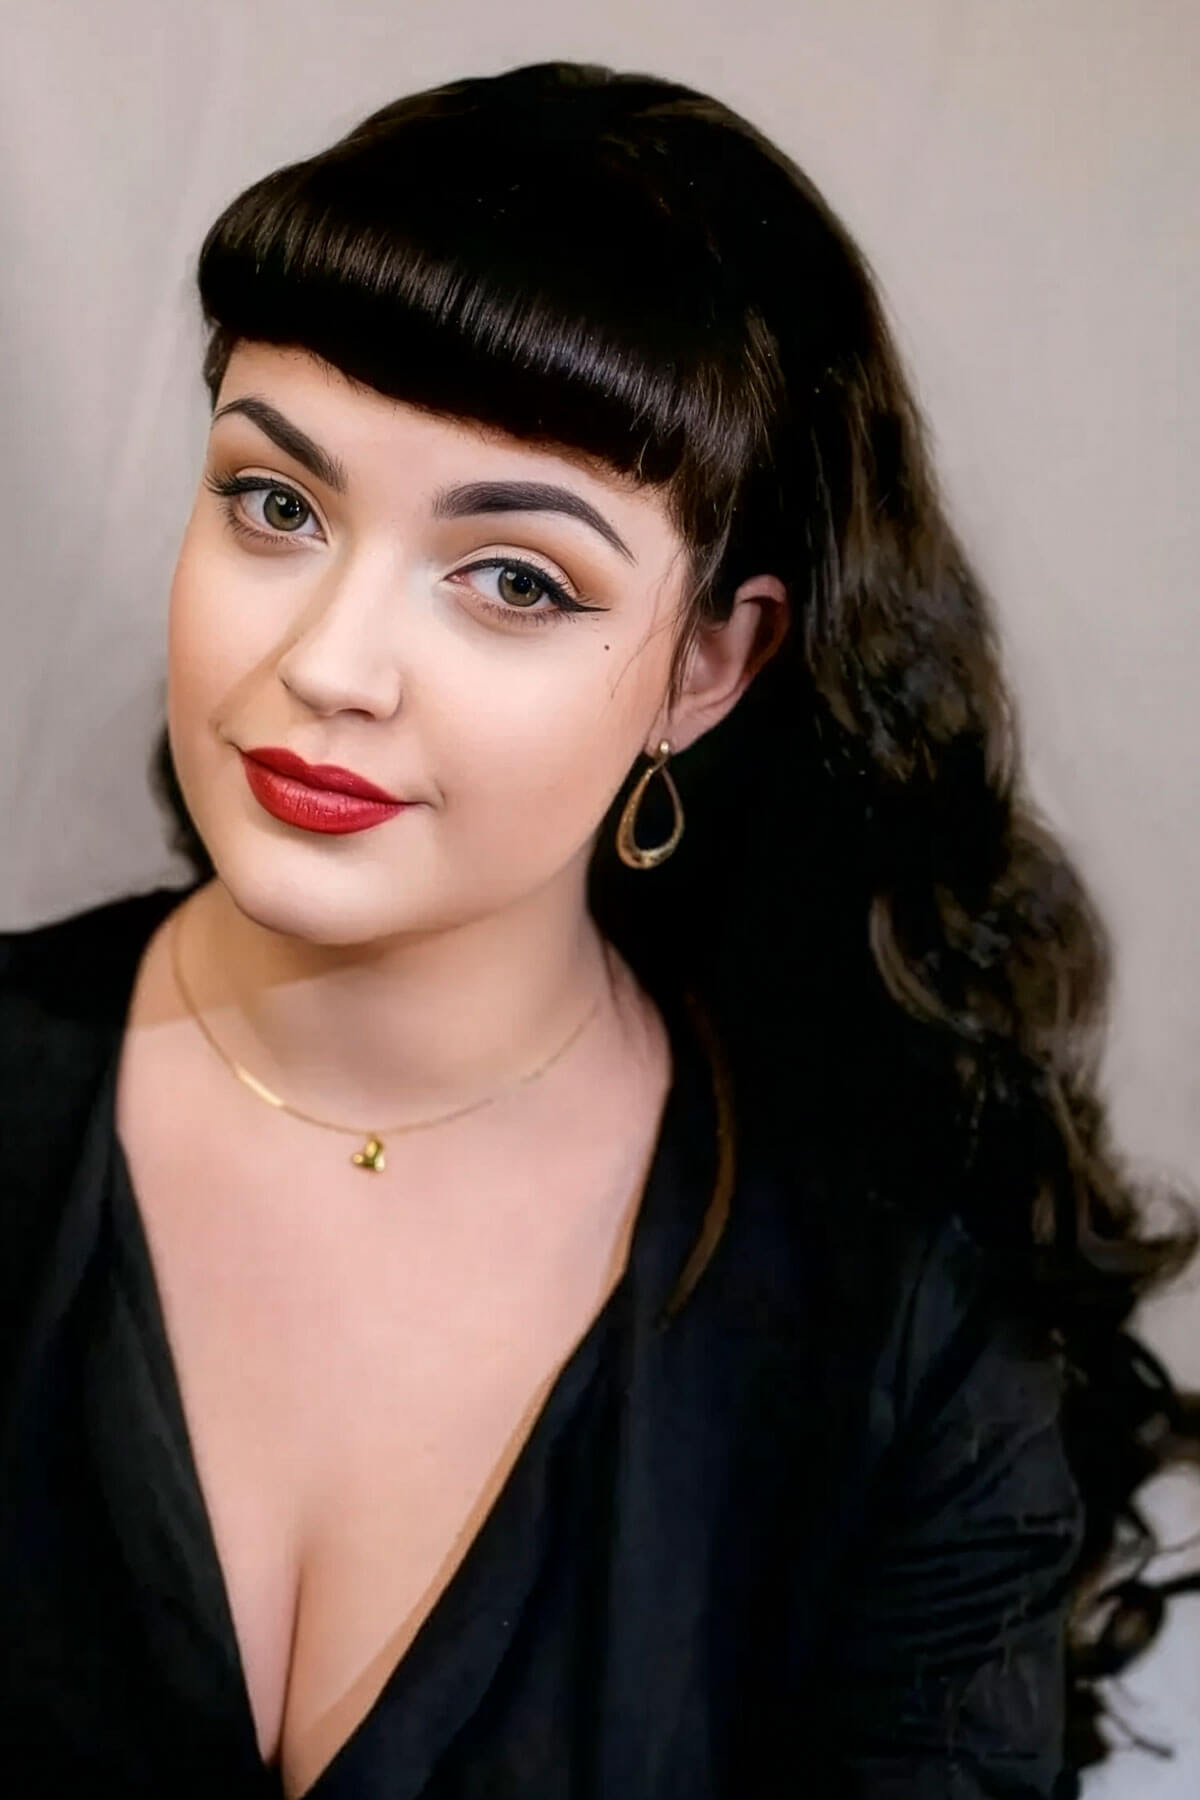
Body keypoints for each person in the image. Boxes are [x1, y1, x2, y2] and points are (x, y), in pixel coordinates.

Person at [1, 58, 1195, 1800]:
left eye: (514, 578)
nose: (326, 661)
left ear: (708, 668)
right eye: (277, 503)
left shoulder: (898, 1334)